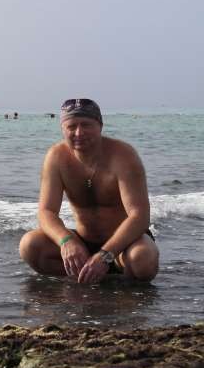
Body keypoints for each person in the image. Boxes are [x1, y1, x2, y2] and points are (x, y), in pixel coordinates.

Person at [19, 98, 159, 283]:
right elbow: (46, 212)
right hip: (83, 243)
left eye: (86, 125)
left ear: (100, 126)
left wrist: (106, 255)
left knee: (143, 260)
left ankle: (115, 281)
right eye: (71, 126)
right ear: (63, 129)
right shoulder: (56, 157)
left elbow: (139, 215)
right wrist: (66, 241)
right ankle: (89, 279)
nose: (79, 132)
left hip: (124, 244)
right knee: (30, 245)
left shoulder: (123, 156)